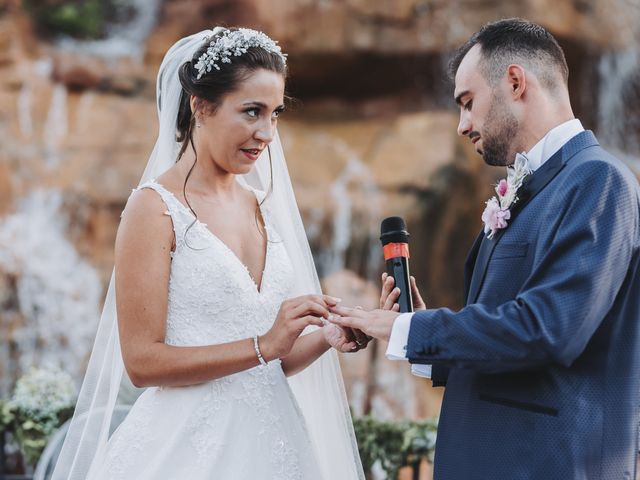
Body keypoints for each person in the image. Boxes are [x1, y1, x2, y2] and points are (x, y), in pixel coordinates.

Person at [330, 18, 640, 479]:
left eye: (468, 103)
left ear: (515, 82)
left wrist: (414, 330)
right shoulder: (528, 188)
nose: (462, 125)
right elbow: (509, 344)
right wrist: (416, 334)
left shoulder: (598, 180)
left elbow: (548, 330)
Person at [52, 27, 366, 480]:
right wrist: (263, 346)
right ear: (200, 106)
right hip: (187, 453)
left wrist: (327, 335)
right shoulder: (155, 209)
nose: (266, 133)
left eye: (275, 114)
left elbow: (267, 364)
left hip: (277, 447)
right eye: (252, 112)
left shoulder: (261, 207)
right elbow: (142, 363)